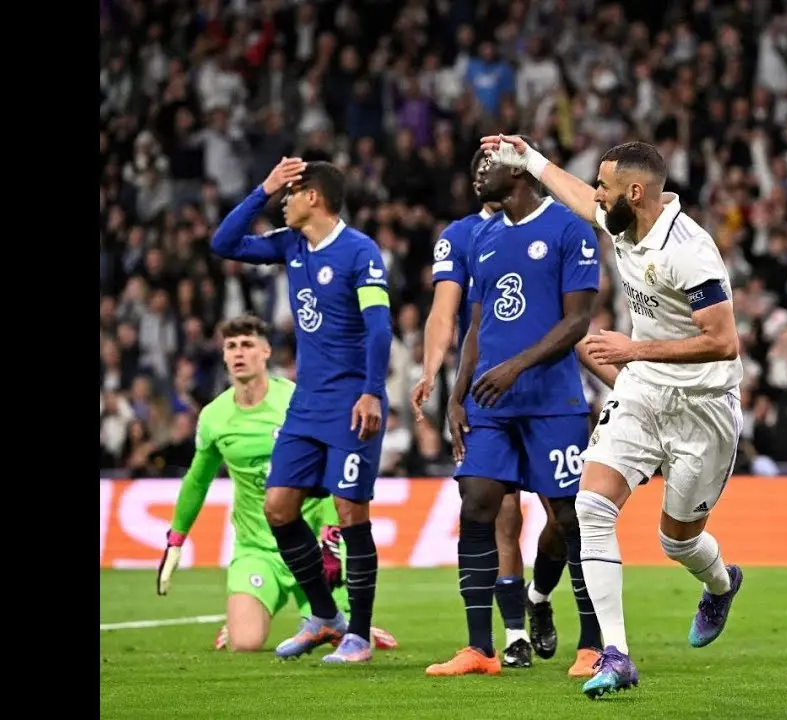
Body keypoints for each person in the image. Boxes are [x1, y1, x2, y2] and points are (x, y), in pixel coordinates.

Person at [480, 136, 745, 698]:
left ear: (635, 191)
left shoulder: (689, 250)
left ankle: (722, 584)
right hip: (644, 392)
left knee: (678, 542)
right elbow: (579, 198)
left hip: (703, 407)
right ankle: (617, 654)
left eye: (605, 185)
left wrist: (633, 349)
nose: (597, 194)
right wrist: (530, 159)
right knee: (591, 506)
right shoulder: (626, 223)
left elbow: (723, 341)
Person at [424, 145, 603, 678]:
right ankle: (480, 648)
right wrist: (456, 395)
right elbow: (477, 325)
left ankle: (592, 645)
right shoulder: (481, 236)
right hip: (489, 404)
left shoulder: (570, 229)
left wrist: (517, 367)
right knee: (477, 503)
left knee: (569, 518)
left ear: (521, 171)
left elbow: (577, 322)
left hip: (552, 402)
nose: (480, 172)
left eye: (492, 163)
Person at [208, 158, 393, 664]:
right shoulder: (290, 245)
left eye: (289, 194)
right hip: (307, 404)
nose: (282, 203)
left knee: (351, 511)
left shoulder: (359, 251)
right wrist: (263, 187)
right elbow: (224, 243)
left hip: (353, 401)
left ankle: (358, 635)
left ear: (313, 197)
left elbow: (379, 327)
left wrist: (372, 391)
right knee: (278, 507)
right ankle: (325, 616)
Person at [156, 315, 398, 653]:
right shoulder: (214, 416)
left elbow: (331, 467)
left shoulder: (296, 402)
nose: (239, 353)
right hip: (256, 550)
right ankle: (242, 620)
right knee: (245, 643)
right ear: (223, 355)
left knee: (341, 638)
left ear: (266, 351)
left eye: (247, 344)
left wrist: (331, 537)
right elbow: (198, 479)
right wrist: (176, 539)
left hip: (311, 545)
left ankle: (353, 625)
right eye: (231, 346)